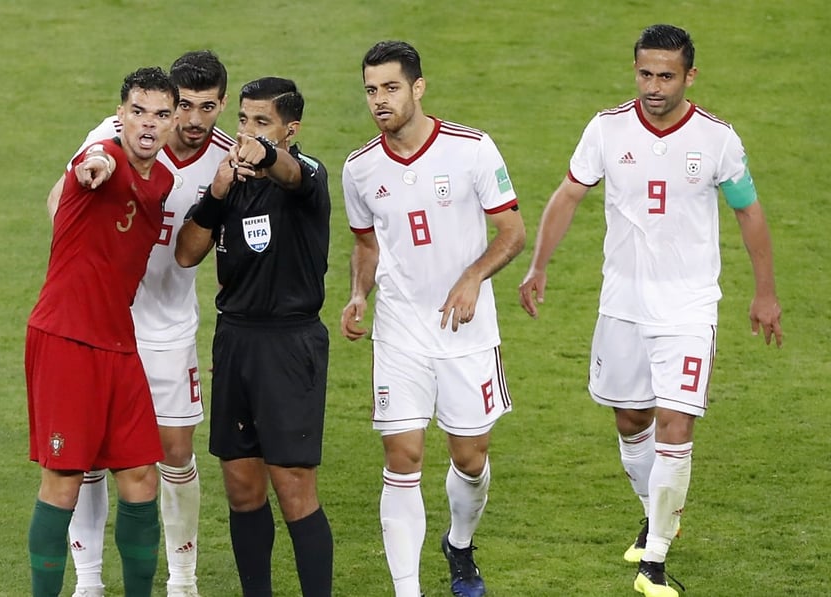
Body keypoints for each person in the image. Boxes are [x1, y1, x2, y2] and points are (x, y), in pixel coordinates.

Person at [518, 24, 783, 597]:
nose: (654, 86)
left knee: (675, 425)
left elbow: (749, 212)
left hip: (688, 309)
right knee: (630, 419)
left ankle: (655, 563)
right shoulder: (607, 128)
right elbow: (568, 194)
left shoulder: (717, 139)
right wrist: (538, 265)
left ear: (690, 75)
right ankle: (657, 511)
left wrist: (765, 293)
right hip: (623, 303)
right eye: (645, 73)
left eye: (666, 75)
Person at [340, 41, 526, 597]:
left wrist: (473, 276)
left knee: (470, 458)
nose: (379, 100)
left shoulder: (471, 149)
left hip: (467, 332)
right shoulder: (359, 168)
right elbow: (367, 246)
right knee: (404, 454)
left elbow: (513, 233)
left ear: (418, 88)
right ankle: (408, 590)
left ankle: (460, 545)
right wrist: (357, 295)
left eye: (391, 88)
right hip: (400, 331)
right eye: (371, 89)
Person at [47, 50, 233, 597]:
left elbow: (192, 255)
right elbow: (61, 203)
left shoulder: (223, 160)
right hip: (101, 326)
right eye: (185, 108)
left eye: (207, 108)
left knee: (174, 453)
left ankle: (183, 581)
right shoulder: (114, 134)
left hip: (168, 327)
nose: (194, 122)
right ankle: (88, 583)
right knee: (87, 457)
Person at [174, 76, 333, 597]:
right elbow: (187, 253)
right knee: (242, 490)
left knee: (294, 491)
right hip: (236, 341)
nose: (246, 132)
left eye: (261, 123)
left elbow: (290, 172)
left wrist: (266, 154)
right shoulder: (230, 181)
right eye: (242, 120)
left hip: (289, 346)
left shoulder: (307, 174)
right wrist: (218, 193)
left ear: (291, 129)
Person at [26, 66, 179, 597]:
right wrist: (89, 169)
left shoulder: (163, 181)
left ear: (172, 122)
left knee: (141, 477)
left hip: (118, 342)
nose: (148, 125)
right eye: (138, 112)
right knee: (64, 480)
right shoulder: (104, 160)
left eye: (161, 115)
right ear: (120, 116)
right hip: (67, 339)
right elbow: (93, 167)